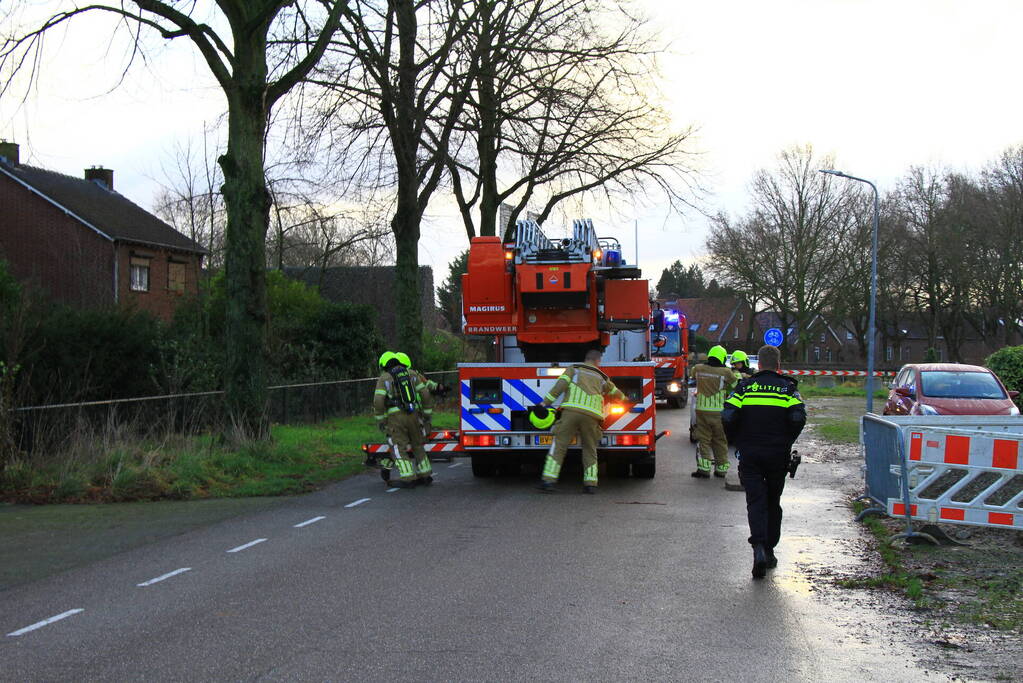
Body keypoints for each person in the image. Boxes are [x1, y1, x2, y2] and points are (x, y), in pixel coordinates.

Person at [721, 344, 806, 579]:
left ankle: (757, 548)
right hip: (777, 455)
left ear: (759, 363)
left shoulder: (745, 387)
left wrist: (738, 440)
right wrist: (787, 440)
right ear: (778, 365)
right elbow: (798, 417)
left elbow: (727, 415)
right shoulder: (788, 389)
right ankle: (769, 551)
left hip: (750, 453)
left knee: (755, 501)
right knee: (772, 502)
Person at [535, 348, 626, 494]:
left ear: (586, 359)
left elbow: (559, 388)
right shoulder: (602, 377)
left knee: (559, 446)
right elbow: (616, 392)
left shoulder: (574, 370)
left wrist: (544, 404)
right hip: (592, 416)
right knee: (590, 449)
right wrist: (626, 400)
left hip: (571, 412)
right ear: (598, 361)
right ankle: (590, 484)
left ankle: (548, 481)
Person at [372, 351, 433, 488]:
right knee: (418, 444)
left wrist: (381, 419)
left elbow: (378, 401)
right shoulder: (411, 374)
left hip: (396, 418)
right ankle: (426, 474)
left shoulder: (384, 378)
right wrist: (427, 414)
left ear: (383, 365)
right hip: (414, 415)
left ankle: (408, 477)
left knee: (398, 447)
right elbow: (425, 394)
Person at [690, 345, 736, 479]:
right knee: (720, 440)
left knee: (703, 440)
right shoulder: (726, 372)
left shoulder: (698, 368)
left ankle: (704, 469)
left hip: (702, 410)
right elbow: (735, 387)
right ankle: (721, 469)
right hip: (719, 412)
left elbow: (692, 374)